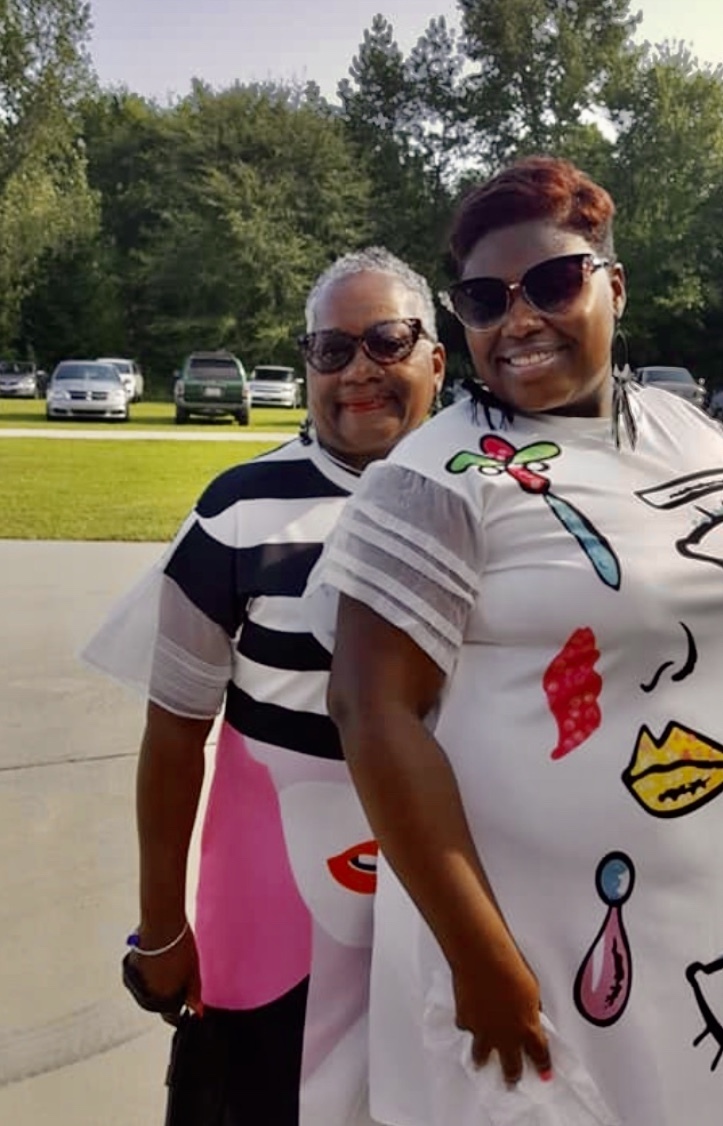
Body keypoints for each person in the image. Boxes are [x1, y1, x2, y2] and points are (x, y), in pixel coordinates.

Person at [305, 157, 723, 1126]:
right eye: (486, 300)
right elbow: (371, 710)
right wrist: (479, 958)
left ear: (614, 285)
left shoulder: (686, 432)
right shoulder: (439, 476)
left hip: (689, 920)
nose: (519, 319)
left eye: (553, 283)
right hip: (527, 947)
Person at [82, 246, 445, 1126]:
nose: (358, 371)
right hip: (273, 903)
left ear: (436, 357)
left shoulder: (495, 500)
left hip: (452, 896)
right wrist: (161, 928)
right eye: (331, 349)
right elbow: (176, 733)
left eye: (387, 342)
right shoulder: (237, 510)